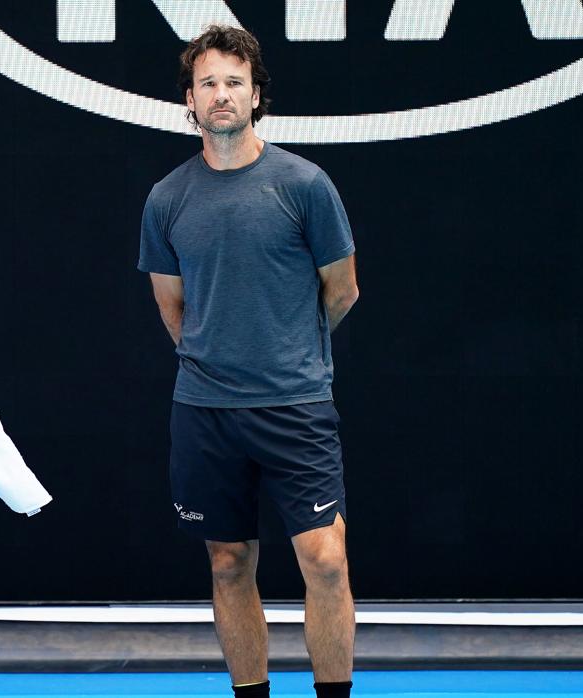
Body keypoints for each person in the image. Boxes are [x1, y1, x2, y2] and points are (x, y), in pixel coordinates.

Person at [138, 25, 360, 698]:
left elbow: (342, 290)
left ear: (256, 95)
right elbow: (172, 307)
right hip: (205, 414)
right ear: (191, 100)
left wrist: (285, 352)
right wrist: (219, 359)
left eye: (234, 82)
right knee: (229, 562)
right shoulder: (166, 199)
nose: (221, 94)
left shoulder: (306, 186)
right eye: (208, 83)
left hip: (296, 407)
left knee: (325, 561)